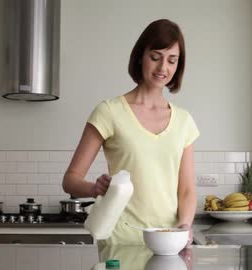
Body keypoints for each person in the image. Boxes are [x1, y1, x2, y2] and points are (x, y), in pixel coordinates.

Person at [63, 19, 199, 245]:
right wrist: (94, 188)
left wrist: (184, 226)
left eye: (172, 60)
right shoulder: (109, 112)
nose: (163, 68)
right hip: (120, 241)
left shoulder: (184, 121)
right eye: (155, 57)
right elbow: (70, 180)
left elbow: (186, 191)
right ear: (140, 57)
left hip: (167, 244)